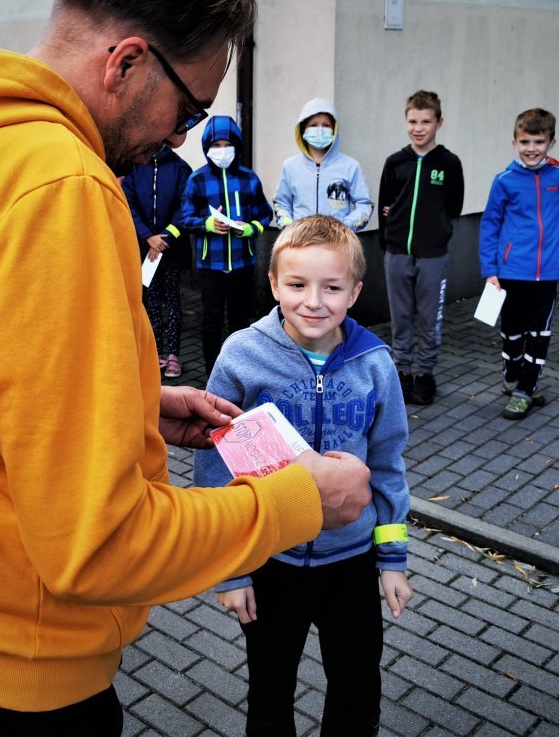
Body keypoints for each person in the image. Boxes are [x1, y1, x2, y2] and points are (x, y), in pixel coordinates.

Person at [0, 0, 371, 735]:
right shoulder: (61, 186)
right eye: (192, 110)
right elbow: (97, 548)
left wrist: (135, 396)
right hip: (13, 681)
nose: (181, 139)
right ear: (127, 61)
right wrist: (300, 501)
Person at [193, 214, 411, 736]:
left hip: (352, 564)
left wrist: (393, 558)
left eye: (331, 287)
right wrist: (232, 568)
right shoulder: (243, 355)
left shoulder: (375, 363)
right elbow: (213, 463)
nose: (313, 301)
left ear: (355, 292)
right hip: (273, 560)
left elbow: (387, 464)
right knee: (269, 696)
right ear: (273, 284)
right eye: (296, 284)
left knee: (358, 693)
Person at [479, 108, 559, 420]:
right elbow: (489, 225)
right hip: (511, 271)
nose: (531, 148)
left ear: (551, 143)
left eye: (539, 141)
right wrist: (490, 271)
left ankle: (525, 389)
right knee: (512, 332)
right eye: (525, 141)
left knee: (539, 334)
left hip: (548, 271)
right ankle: (513, 372)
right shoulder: (505, 181)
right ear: (514, 143)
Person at [378, 89, 464, 406]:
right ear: (406, 121)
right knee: (400, 317)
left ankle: (424, 374)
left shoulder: (449, 163)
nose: (418, 127)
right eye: (413, 121)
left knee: (428, 318)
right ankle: (402, 372)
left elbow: (454, 206)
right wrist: (389, 240)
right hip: (397, 252)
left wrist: (436, 232)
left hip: (432, 255)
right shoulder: (395, 163)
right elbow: (384, 203)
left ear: (438, 123)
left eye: (425, 121)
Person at [180, 115, 274, 371]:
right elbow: (186, 218)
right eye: (216, 145)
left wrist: (251, 228)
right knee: (211, 320)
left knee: (240, 322)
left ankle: (239, 371)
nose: (221, 150)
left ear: (236, 145)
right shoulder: (197, 180)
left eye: (226, 144)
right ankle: (212, 372)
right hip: (212, 265)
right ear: (207, 148)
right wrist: (208, 224)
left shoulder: (249, 179)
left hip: (243, 262)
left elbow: (265, 214)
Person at [121, 143, 192, 377]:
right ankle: (154, 353)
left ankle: (173, 355)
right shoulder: (135, 165)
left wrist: (165, 238)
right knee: (150, 302)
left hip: (171, 248)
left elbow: (185, 208)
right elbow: (128, 205)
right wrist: (147, 237)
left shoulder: (180, 168)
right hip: (144, 248)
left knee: (172, 300)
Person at [274, 97, 373, 231]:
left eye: (326, 125)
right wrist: (290, 227)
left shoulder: (350, 166)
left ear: (334, 130)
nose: (319, 130)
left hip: (337, 243)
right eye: (313, 125)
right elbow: (281, 203)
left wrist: (345, 226)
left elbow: (364, 205)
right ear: (303, 130)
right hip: (300, 242)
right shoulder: (290, 167)